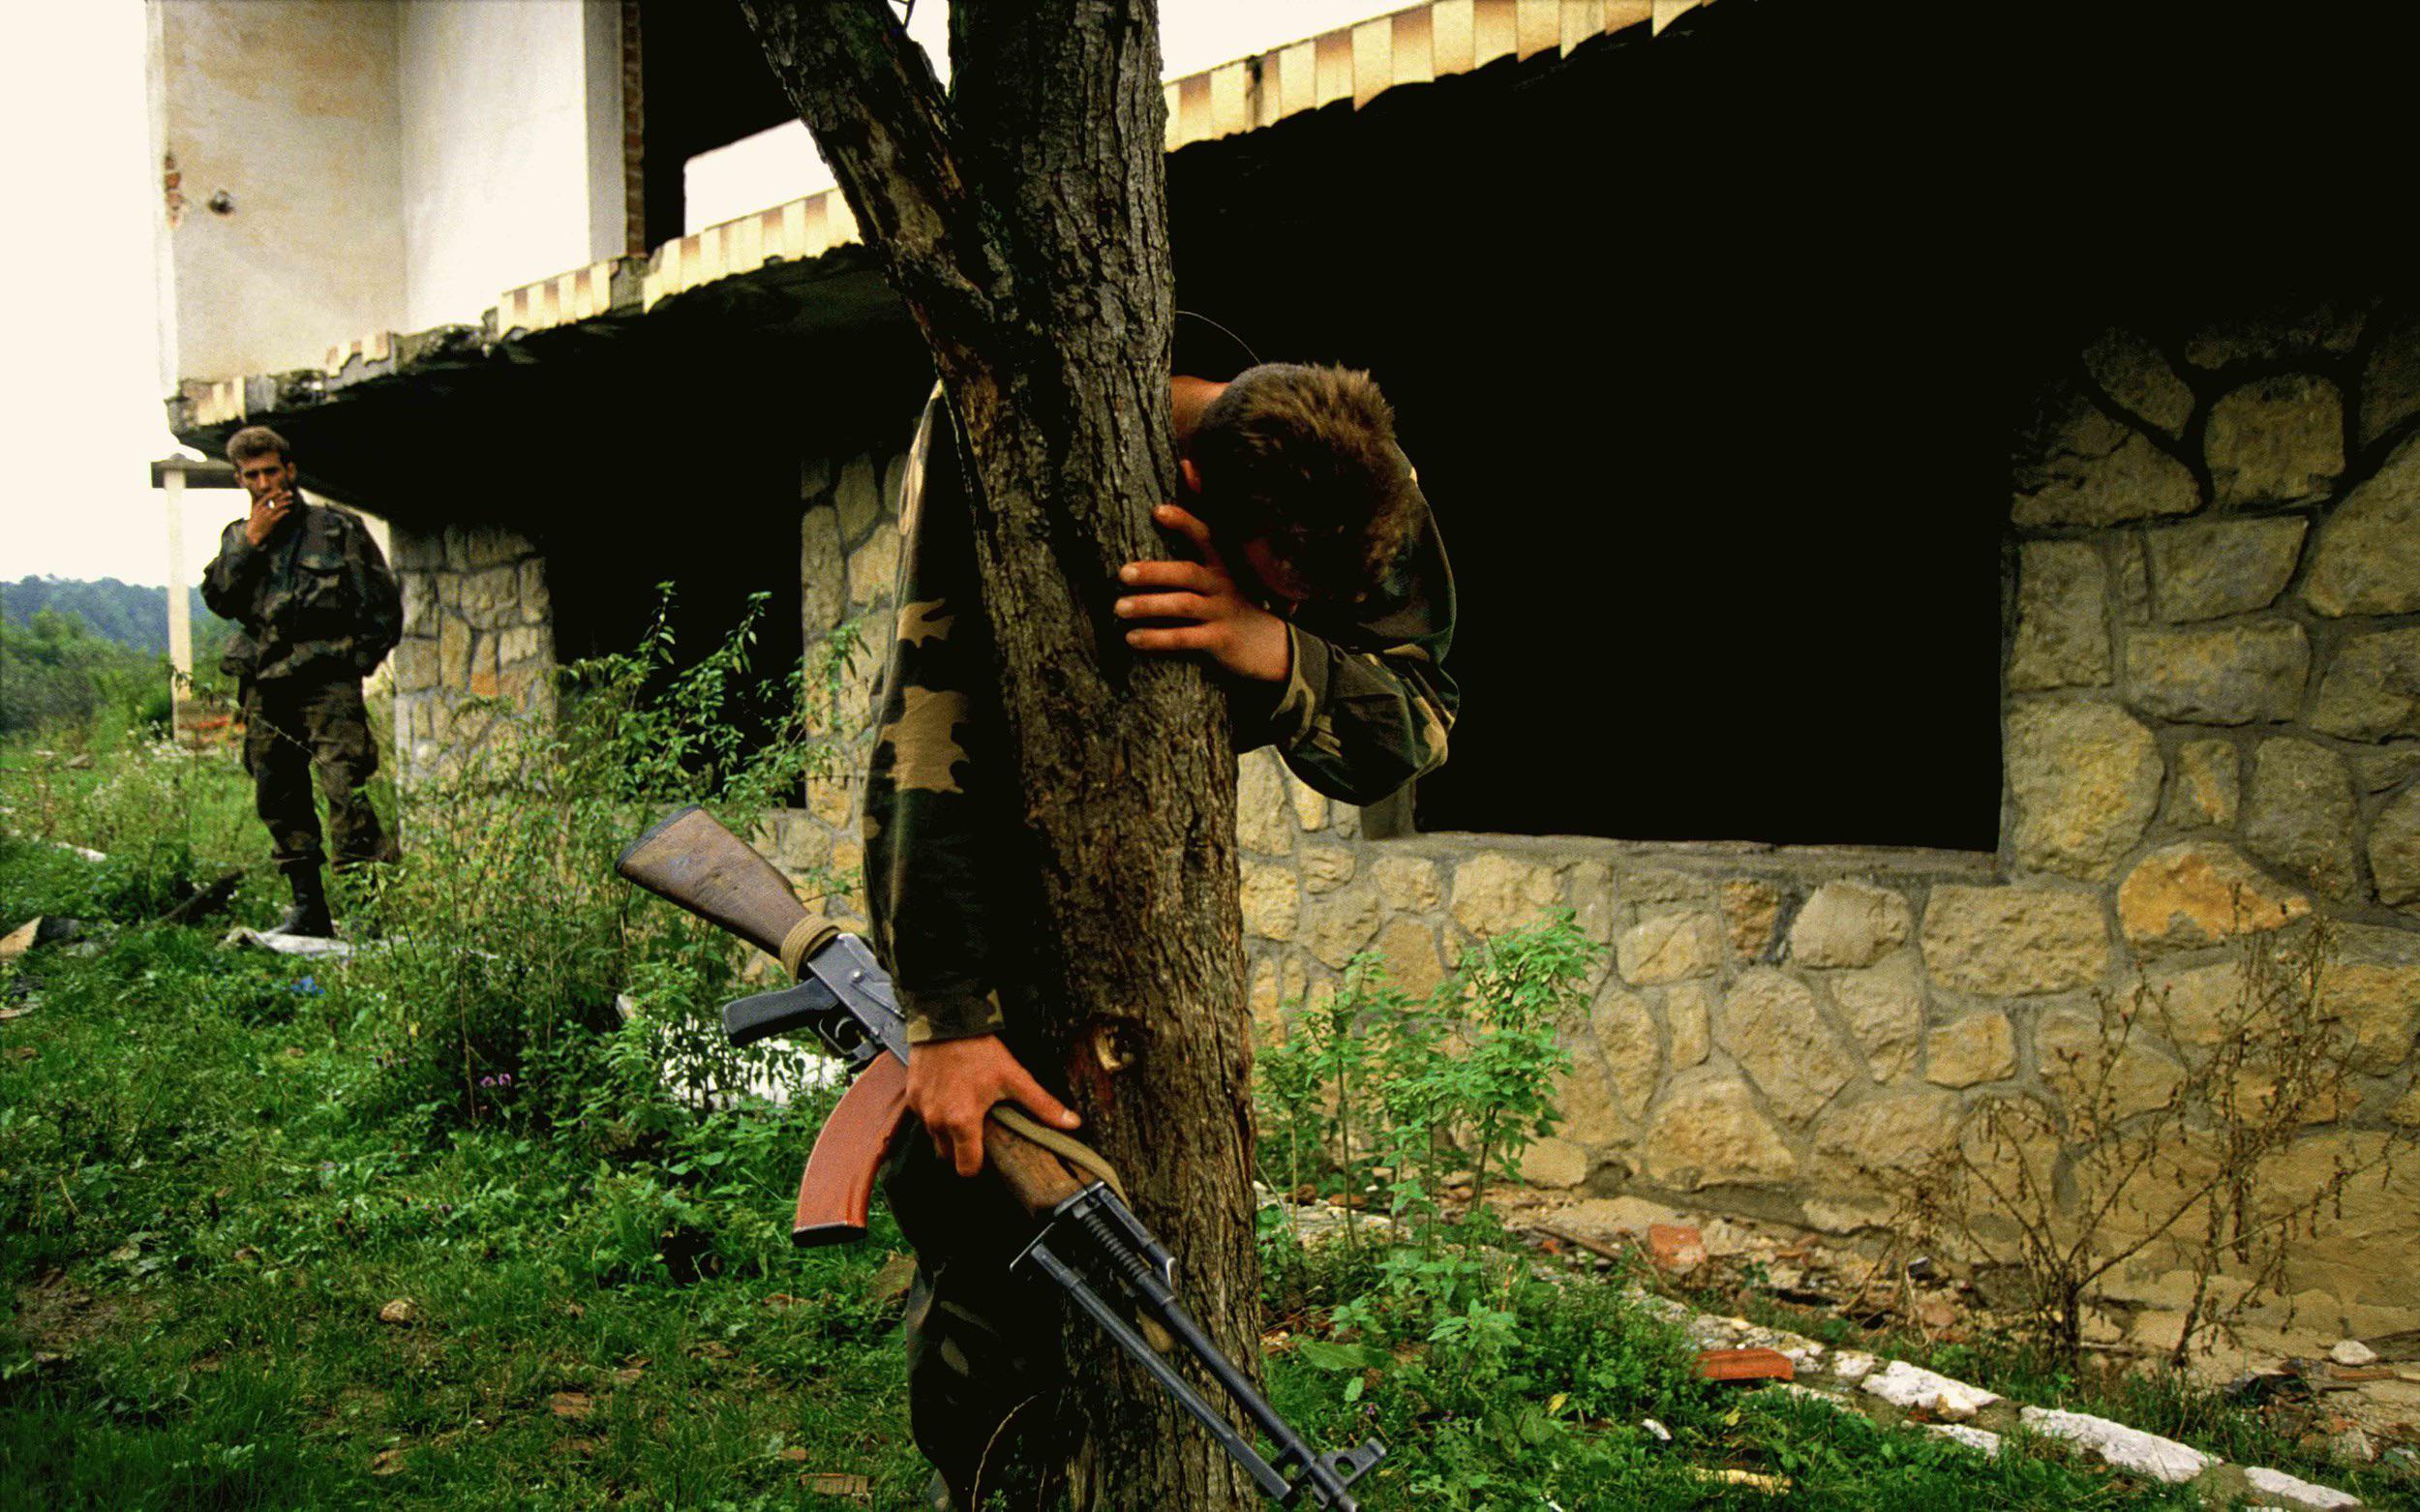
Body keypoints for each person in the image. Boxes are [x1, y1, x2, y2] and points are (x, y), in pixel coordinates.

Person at [861, 348, 1457, 1506]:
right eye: (1271, 584)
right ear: (1183, 484)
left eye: (1311, 602)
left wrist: (1274, 646)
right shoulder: (1000, 424)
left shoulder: (1363, 485)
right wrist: (943, 1014)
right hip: (1010, 837)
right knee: (975, 1220)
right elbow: (930, 715)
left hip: (1158, 898)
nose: (1295, 607)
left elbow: (1420, 719)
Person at [200, 426, 403, 936]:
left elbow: (381, 605)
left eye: (273, 470)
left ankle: (367, 912)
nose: (265, 483)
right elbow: (220, 599)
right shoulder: (236, 537)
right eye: (253, 475)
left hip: (327, 685)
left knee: (345, 790)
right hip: (266, 686)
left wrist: (354, 663)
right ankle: (308, 910)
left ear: (290, 470)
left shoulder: (338, 529)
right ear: (240, 480)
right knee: (279, 794)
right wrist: (251, 541)